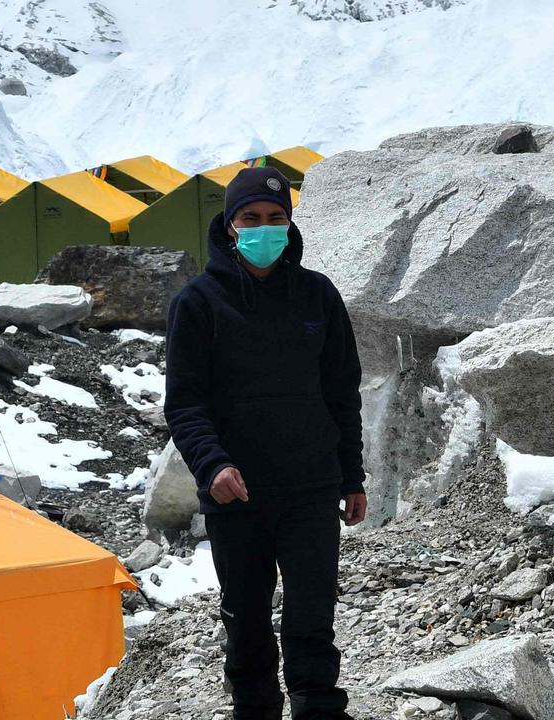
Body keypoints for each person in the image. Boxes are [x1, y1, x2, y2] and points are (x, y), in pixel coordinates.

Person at [165, 166, 366, 720]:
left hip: (310, 485)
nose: (264, 228)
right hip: (237, 492)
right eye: (250, 218)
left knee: (312, 609)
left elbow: (340, 392)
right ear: (230, 226)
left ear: (290, 223)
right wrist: (213, 466)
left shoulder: (318, 295)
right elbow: (184, 403)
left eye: (275, 219)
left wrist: (352, 476)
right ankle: (255, 709)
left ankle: (318, 707)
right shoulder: (199, 302)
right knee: (246, 615)